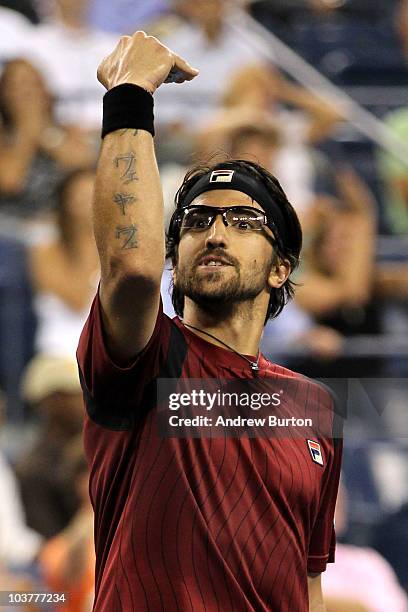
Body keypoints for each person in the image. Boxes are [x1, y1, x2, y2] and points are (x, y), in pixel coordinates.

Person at [77, 31, 343, 610]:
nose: (215, 233)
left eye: (244, 222)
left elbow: (307, 582)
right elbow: (130, 267)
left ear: (280, 270)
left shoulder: (314, 407)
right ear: (174, 255)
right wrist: (129, 95)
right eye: (196, 222)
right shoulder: (144, 357)